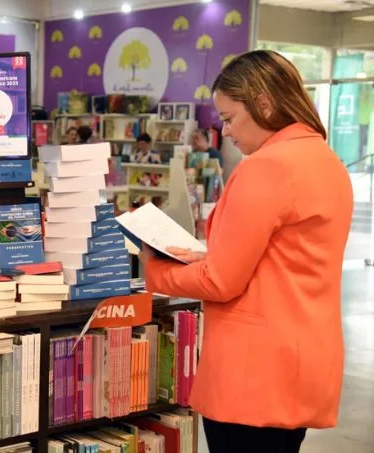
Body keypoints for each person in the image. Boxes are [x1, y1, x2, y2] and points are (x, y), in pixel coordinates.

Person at [139, 49, 353, 453]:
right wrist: (209, 256)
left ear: (264, 104)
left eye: (229, 118)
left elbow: (220, 282)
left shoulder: (266, 167)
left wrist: (155, 271)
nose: (226, 131)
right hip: (303, 360)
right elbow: (287, 258)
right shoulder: (327, 161)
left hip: (254, 372)